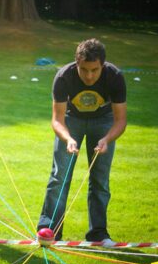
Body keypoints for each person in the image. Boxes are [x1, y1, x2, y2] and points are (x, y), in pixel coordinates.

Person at [37, 39, 127, 245]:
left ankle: (98, 233)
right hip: (71, 120)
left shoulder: (114, 77)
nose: (89, 75)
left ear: (102, 66)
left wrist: (107, 139)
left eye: (94, 70)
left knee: (100, 179)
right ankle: (49, 230)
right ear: (76, 63)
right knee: (60, 176)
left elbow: (121, 120)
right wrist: (68, 138)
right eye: (84, 69)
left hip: (103, 121)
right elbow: (57, 120)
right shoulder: (63, 77)